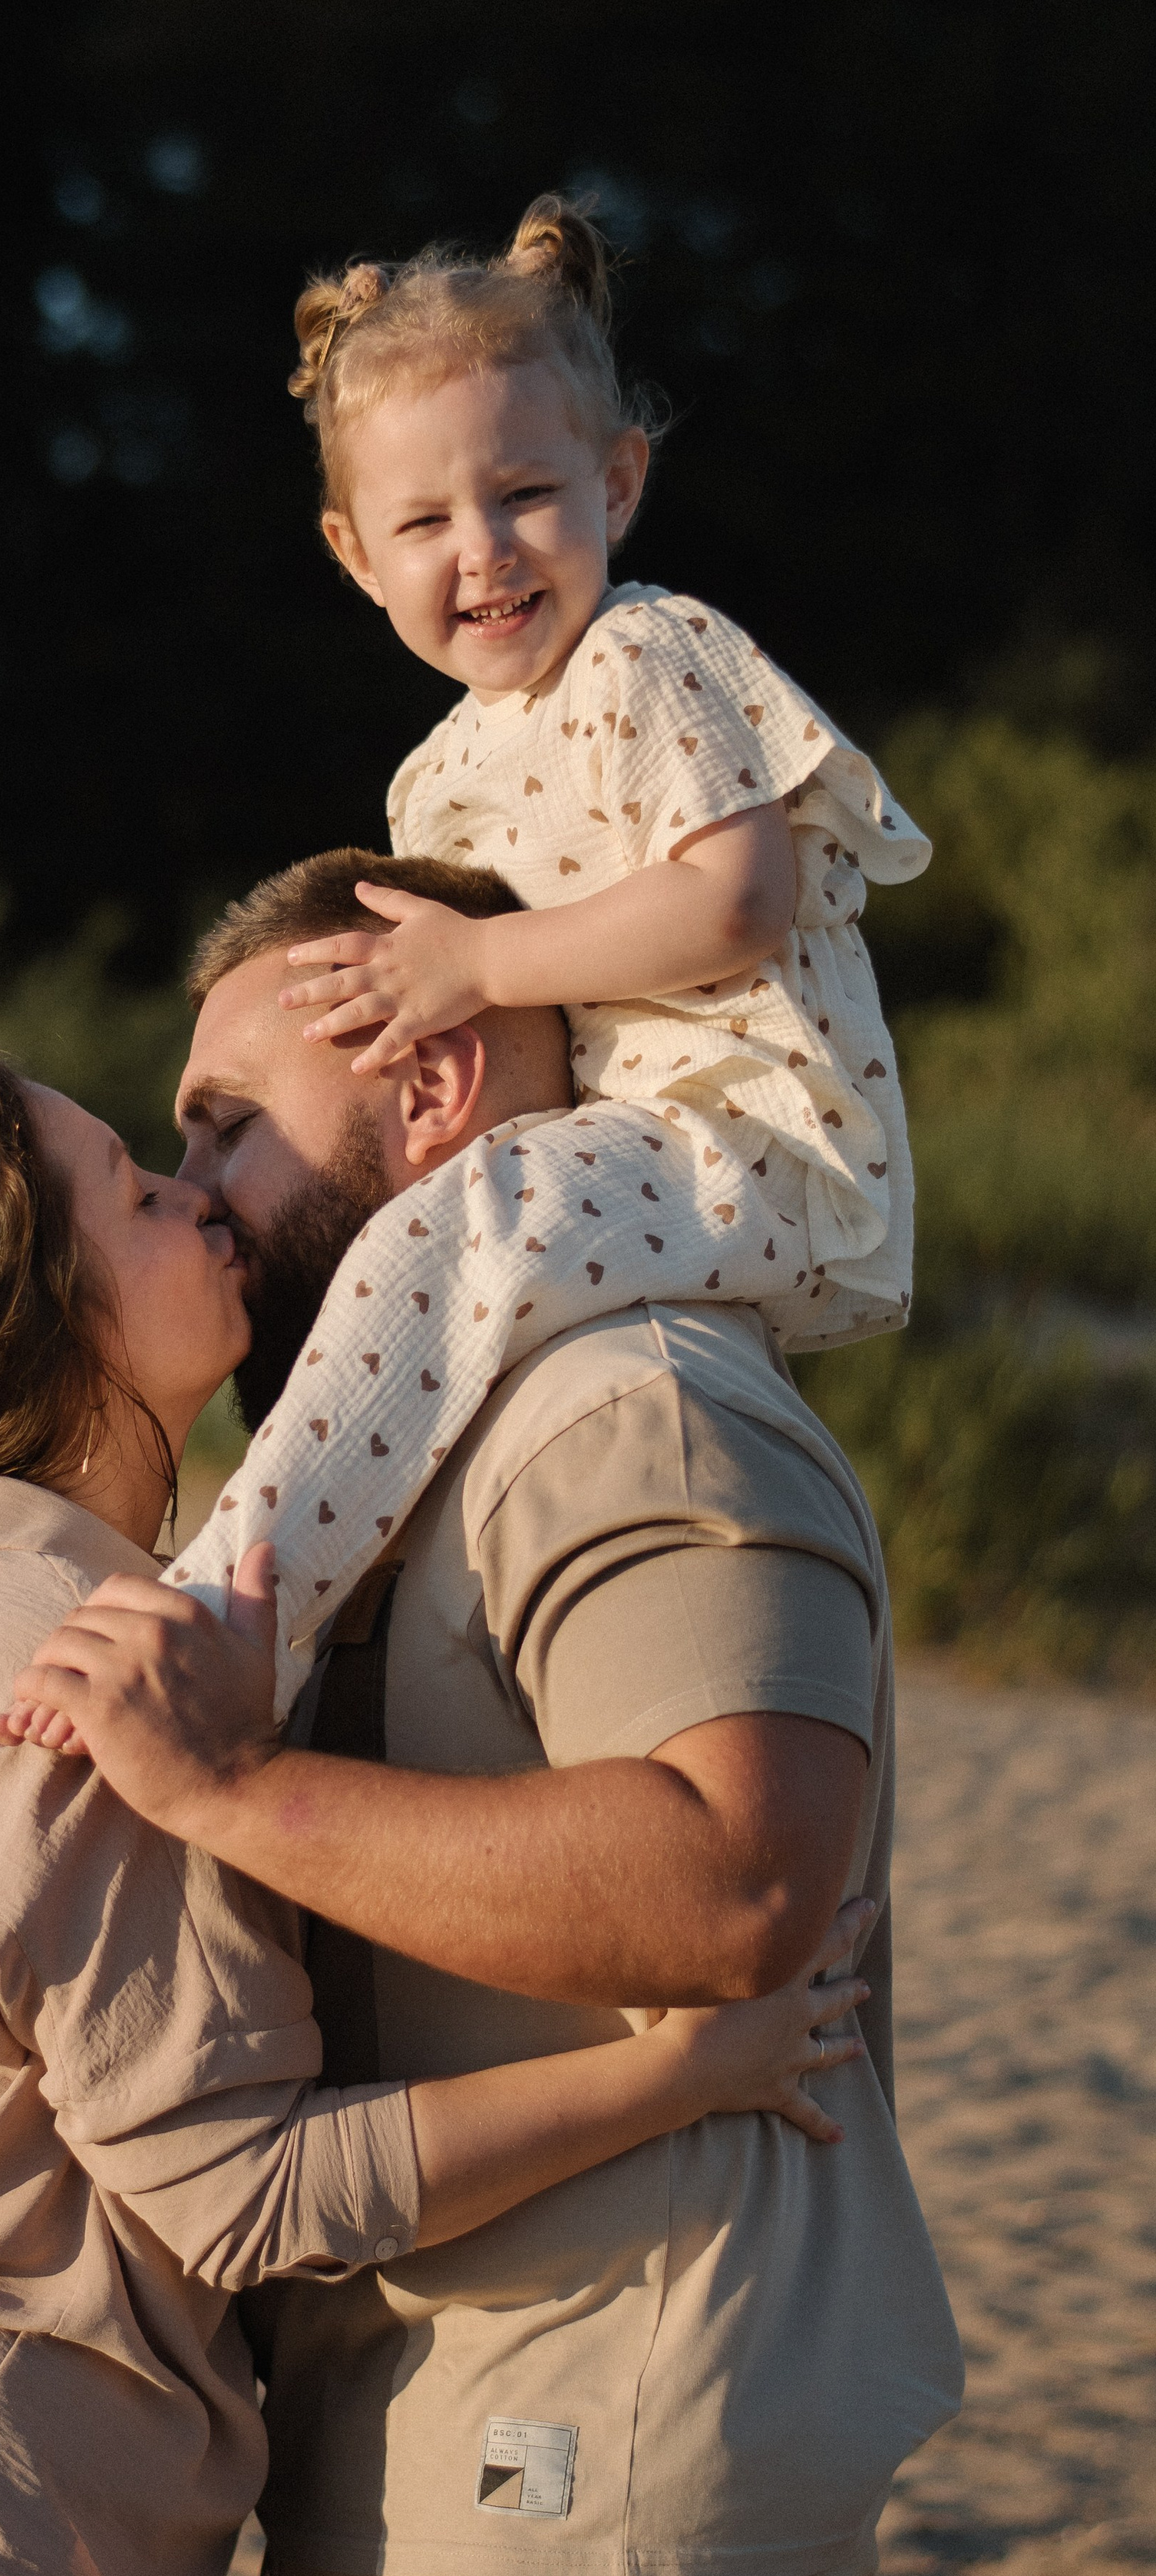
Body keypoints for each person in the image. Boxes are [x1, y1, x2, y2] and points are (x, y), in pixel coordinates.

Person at [0, 1050, 869, 2576]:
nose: (194, 1200)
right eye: (135, 1191)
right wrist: (681, 2071)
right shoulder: (73, 1674)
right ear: (47, 1317)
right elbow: (249, 2192)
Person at [0, 861, 965, 2576]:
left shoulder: (621, 1406)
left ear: (432, 1081)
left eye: (226, 1128)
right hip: (463, 2463)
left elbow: (738, 1878)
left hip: (582, 2464)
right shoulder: (395, 1451)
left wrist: (228, 1791)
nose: (196, 1195)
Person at [160, 196, 932, 1688]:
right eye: (424, 523)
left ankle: (229, 1599)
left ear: (616, 482)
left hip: (736, 1129)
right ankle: (309, 1583)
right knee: (422, 1235)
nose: (484, 552)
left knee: (444, 1232)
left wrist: (477, 968)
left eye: (524, 493)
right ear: (350, 552)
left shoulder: (646, 653)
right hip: (611, 1138)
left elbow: (737, 898)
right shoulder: (437, 772)